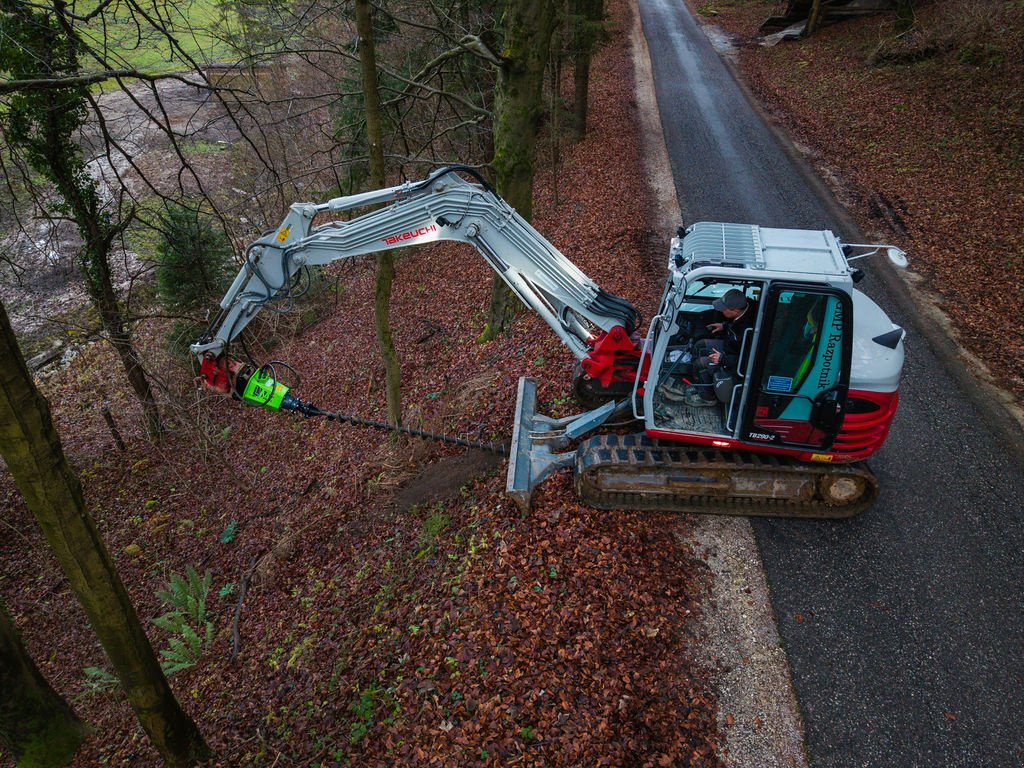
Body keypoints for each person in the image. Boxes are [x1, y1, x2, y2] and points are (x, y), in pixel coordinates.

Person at [688, 288, 757, 406]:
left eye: (723, 309)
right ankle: (700, 383)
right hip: (730, 347)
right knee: (700, 345)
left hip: (735, 360)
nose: (721, 311)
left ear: (735, 311)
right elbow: (735, 324)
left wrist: (722, 359)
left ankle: (708, 398)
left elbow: (748, 361)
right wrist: (724, 326)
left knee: (701, 363)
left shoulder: (749, 331)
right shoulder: (745, 310)